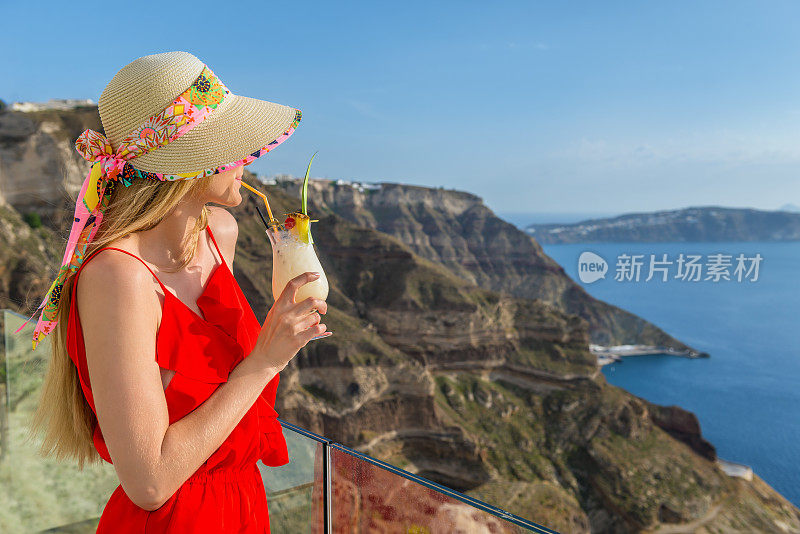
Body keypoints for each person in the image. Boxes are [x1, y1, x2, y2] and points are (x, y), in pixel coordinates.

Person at [22, 51, 330, 532]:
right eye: (232, 144)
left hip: (246, 506)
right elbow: (150, 482)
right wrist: (267, 360)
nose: (250, 158)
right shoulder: (117, 277)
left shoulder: (219, 233)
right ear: (187, 163)